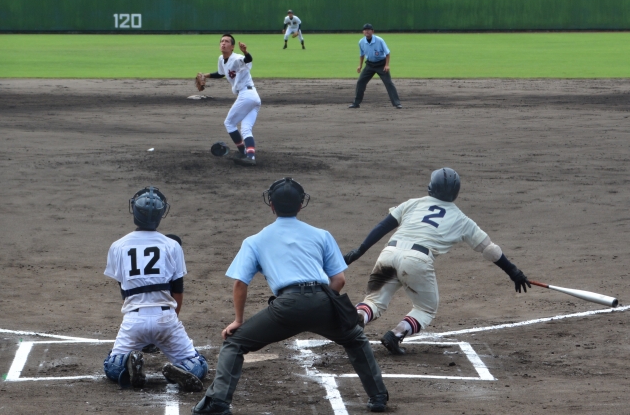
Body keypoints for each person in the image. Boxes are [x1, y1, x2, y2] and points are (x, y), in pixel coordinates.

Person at [192, 178, 389, 415]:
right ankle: (378, 397)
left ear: (271, 205)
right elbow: (339, 280)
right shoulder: (321, 235)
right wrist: (320, 306)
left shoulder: (255, 240)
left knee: (234, 343)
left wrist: (238, 320)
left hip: (286, 307)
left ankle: (218, 402)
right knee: (355, 339)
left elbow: (240, 283)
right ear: (300, 205)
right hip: (323, 300)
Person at [344, 168, 531, 355]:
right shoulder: (462, 220)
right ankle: (395, 335)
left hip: (389, 253)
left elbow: (382, 227)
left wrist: (360, 251)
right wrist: (513, 271)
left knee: (374, 301)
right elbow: (490, 249)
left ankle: (360, 315)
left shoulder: (412, 203)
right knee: (426, 309)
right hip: (417, 260)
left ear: (431, 187)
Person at [103, 186, 208, 391]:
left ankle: (127, 365)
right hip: (166, 318)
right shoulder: (172, 245)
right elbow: (177, 290)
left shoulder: (118, 246)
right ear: (161, 214)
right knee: (198, 366)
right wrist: (169, 321)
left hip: (134, 320)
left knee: (112, 367)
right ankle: (181, 370)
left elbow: (123, 290)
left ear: (134, 211)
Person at [200, 34, 260, 166]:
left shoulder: (237, 58)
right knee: (246, 129)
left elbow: (248, 59)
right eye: (222, 41)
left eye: (227, 41)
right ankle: (250, 157)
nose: (223, 43)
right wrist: (205, 75)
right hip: (253, 97)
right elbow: (221, 73)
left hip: (247, 95)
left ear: (232, 47)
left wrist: (245, 52)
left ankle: (242, 152)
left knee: (229, 123)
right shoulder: (221, 59)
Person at [349, 23, 402, 109]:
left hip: (381, 64)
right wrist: (360, 65)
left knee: (388, 83)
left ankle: (397, 103)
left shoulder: (379, 40)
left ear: (372, 31)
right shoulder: (361, 42)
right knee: (360, 82)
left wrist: (387, 65)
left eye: (369, 30)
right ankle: (356, 103)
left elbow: (387, 53)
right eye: (365, 30)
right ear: (363, 32)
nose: (367, 31)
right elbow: (361, 55)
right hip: (369, 65)